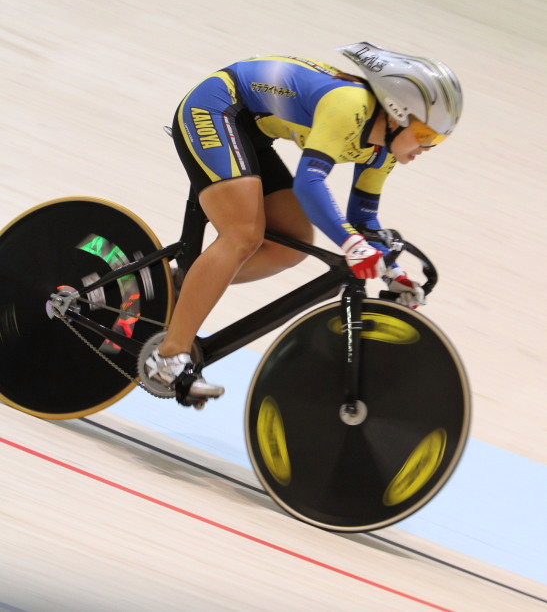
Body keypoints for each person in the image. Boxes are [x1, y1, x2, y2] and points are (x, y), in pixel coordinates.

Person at [144, 41, 463, 402]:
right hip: (215, 108)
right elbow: (310, 184)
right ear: (396, 112)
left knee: (287, 246)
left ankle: (175, 288)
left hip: (250, 130)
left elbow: (362, 219)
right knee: (243, 234)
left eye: (436, 141)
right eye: (425, 135)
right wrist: (352, 244)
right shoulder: (349, 106)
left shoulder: (383, 150)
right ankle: (168, 357)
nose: (427, 148)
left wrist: (392, 270)